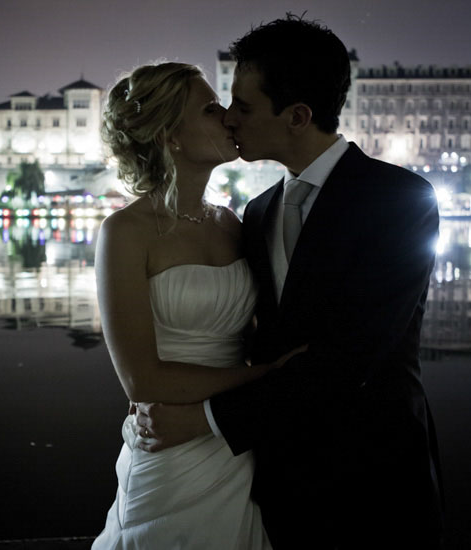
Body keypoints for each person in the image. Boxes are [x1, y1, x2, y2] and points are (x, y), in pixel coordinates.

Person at [134, 16, 444, 549]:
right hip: (277, 475)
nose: (230, 118)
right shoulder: (257, 212)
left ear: (298, 116)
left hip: (373, 477)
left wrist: (205, 419)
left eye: (244, 106)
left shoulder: (400, 200)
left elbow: (352, 355)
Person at [92, 62, 301, 549]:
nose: (230, 117)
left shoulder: (233, 223)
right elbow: (141, 380)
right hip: (169, 443)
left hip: (235, 446)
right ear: (171, 136)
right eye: (211, 109)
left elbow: (255, 330)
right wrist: (266, 375)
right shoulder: (125, 233)